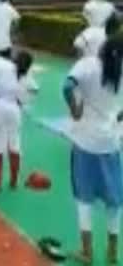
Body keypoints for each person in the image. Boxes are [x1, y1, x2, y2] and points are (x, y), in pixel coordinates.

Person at [63, 36, 123, 264]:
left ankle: (87, 252)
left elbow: (67, 86)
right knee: (114, 200)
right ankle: (112, 251)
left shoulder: (87, 64)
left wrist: (75, 109)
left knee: (84, 198)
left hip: (85, 142)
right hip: (110, 143)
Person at [0, 51, 36, 192]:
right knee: (14, 146)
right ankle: (13, 181)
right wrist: (22, 101)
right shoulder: (26, 76)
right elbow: (34, 90)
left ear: (14, 58)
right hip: (14, 111)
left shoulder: (1, 63)